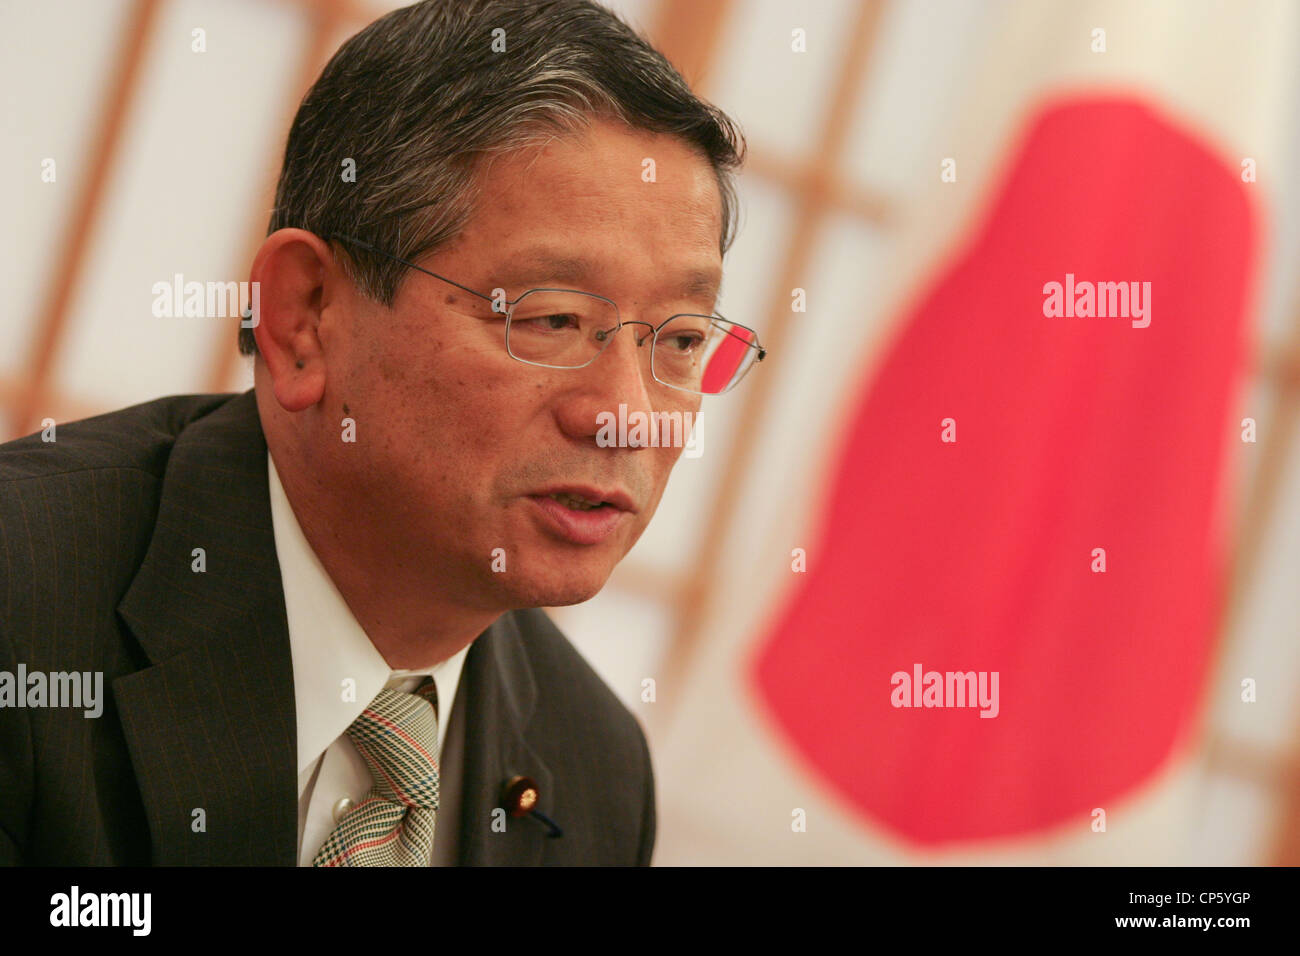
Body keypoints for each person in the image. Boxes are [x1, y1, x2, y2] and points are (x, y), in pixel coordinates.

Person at [0, 0, 763, 865]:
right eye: (550, 319)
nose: (625, 413)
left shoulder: (595, 767)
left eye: (683, 339)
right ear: (304, 316)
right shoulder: (24, 602)